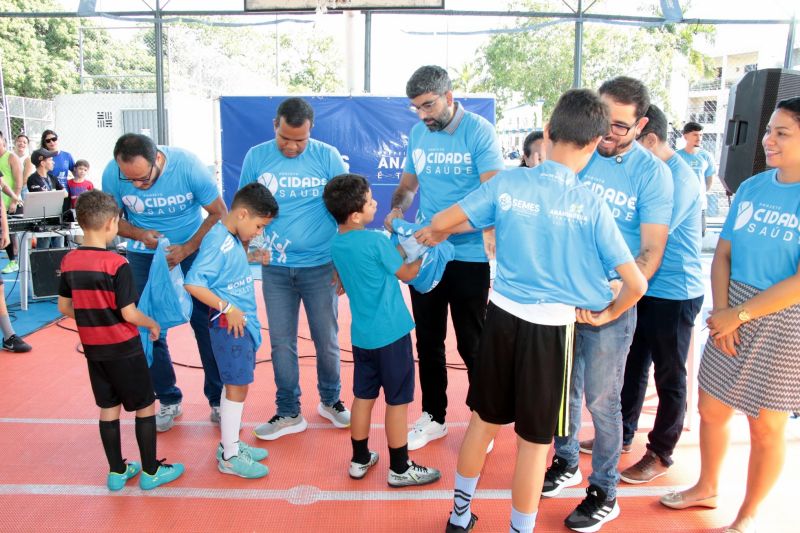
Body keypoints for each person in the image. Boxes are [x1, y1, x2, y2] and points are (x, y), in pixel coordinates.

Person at [417, 89, 647, 533]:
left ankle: (459, 516)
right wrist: (603, 315)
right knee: (533, 444)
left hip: (500, 319)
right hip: (551, 333)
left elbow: (447, 221)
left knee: (482, 425)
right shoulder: (590, 203)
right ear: (597, 140)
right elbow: (636, 284)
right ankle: (519, 529)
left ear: (548, 131)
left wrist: (434, 230)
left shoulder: (507, 182)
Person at [659, 97, 800, 533]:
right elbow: (723, 253)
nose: (768, 139)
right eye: (769, 130)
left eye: (782, 133)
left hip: (783, 317)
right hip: (730, 308)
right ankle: (707, 486)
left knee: (766, 427)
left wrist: (736, 316)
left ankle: (748, 514)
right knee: (712, 409)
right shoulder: (755, 186)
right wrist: (723, 311)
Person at [542, 77, 673, 533]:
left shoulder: (652, 174)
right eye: (603, 119)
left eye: (619, 124)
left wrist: (614, 303)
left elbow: (652, 250)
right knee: (563, 389)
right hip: (563, 297)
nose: (608, 131)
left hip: (610, 304)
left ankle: (604, 491)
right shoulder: (579, 154)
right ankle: (564, 462)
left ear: (640, 125)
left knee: (602, 401)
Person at [383, 65, 505, 451]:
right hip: (428, 256)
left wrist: (444, 229)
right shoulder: (419, 133)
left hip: (467, 256)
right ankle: (434, 416)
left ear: (450, 97)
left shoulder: (480, 132)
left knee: (473, 342)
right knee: (429, 340)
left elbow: (491, 199)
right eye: (417, 108)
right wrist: (397, 210)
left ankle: (482, 417)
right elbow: (407, 185)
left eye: (429, 105)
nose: (423, 115)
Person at [239, 97, 351, 440]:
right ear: (275, 125)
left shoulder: (327, 156)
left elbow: (346, 211)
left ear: (310, 130)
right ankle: (288, 410)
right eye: (285, 138)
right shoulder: (256, 157)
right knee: (281, 343)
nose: (291, 146)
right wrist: (253, 248)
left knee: (327, 339)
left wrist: (344, 264)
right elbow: (244, 207)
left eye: (299, 140)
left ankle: (331, 400)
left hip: (320, 266)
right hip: (274, 269)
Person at [57, 189, 184, 490]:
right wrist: (152, 323)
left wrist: (93, 317)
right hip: (124, 349)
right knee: (145, 405)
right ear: (112, 223)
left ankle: (117, 471)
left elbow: (64, 307)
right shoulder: (117, 264)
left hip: (94, 350)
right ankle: (152, 471)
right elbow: (128, 313)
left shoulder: (69, 261)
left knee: (108, 406)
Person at [101, 133, 228, 432]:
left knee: (205, 321)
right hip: (144, 255)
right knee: (148, 326)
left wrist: (188, 247)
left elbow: (218, 212)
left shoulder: (187, 166)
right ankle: (168, 398)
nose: (136, 186)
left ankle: (218, 399)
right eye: (129, 179)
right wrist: (138, 234)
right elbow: (110, 220)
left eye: (143, 179)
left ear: (158, 159)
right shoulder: (112, 173)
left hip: (191, 251)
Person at [323, 173, 442, 488]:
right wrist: (429, 253)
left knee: (363, 398)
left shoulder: (338, 243)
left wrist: (398, 253)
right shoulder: (376, 241)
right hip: (392, 334)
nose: (376, 203)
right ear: (356, 214)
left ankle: (359, 459)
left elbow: (367, 269)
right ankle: (401, 467)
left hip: (362, 337)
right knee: (398, 402)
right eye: (370, 201)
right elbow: (406, 273)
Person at [615, 104, 704, 484]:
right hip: (645, 285)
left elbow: (652, 235)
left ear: (649, 137)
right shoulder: (647, 171)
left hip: (676, 291)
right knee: (634, 363)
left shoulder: (679, 179)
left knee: (670, 374)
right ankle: (622, 432)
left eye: (631, 138)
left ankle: (661, 452)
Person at [185, 182, 278, 479]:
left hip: (239, 324)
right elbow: (194, 282)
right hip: (229, 326)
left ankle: (231, 444)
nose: (259, 232)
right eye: (259, 225)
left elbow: (225, 270)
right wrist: (228, 308)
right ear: (242, 214)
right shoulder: (218, 241)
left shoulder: (231, 237)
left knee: (236, 386)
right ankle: (230, 455)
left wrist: (250, 256)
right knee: (237, 387)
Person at [677, 122, 717, 236]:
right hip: (681, 206)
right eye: (695, 135)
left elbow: (709, 182)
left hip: (699, 206)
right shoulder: (677, 157)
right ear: (685, 136)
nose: (699, 138)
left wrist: (699, 194)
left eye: (701, 135)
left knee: (699, 236)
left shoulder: (706, 156)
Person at [27, 148, 65, 249]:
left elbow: (65, 193)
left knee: (59, 249)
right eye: (50, 159)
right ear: (43, 163)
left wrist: (52, 194)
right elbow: (42, 198)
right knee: (43, 249)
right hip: (43, 220)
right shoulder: (33, 179)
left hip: (57, 218)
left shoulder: (52, 177)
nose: (53, 162)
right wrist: (56, 194)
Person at [0, 133, 24, 273]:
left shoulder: (11, 157)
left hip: (10, 204)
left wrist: (15, 199)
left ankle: (15, 261)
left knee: (12, 234)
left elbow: (17, 182)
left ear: (3, 141)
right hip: (3, 204)